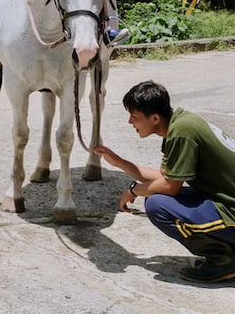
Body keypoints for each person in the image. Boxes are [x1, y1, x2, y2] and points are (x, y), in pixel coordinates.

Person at [91, 81, 235, 283]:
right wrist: (119, 162)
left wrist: (134, 190)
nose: (130, 122)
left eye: (135, 116)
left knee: (158, 205)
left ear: (155, 118)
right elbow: (166, 177)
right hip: (226, 201)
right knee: (157, 197)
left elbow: (170, 187)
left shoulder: (182, 133)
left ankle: (224, 260)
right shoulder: (180, 124)